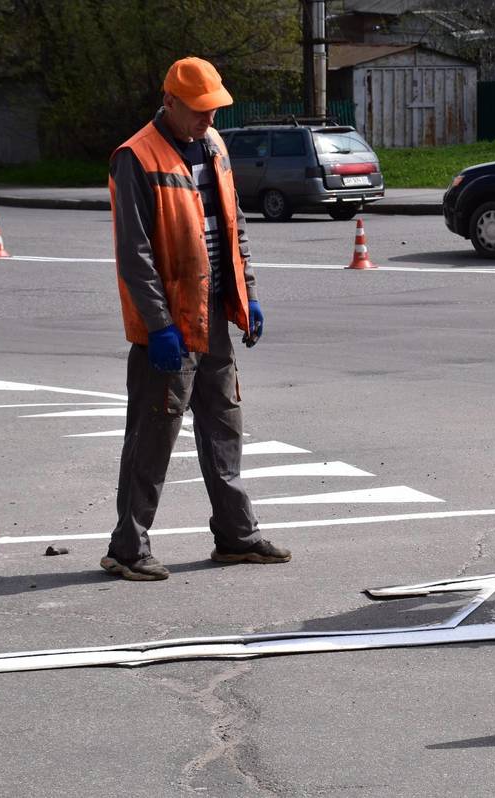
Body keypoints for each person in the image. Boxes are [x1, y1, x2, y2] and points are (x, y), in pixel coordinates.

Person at [103, 56, 291, 580]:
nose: (209, 119)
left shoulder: (214, 147)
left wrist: (247, 294)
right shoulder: (135, 157)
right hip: (167, 325)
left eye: (214, 110)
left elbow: (234, 227)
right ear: (169, 102)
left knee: (224, 426)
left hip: (213, 317)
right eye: (199, 110)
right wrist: (158, 325)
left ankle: (236, 535)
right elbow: (134, 252)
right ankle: (127, 548)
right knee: (153, 436)